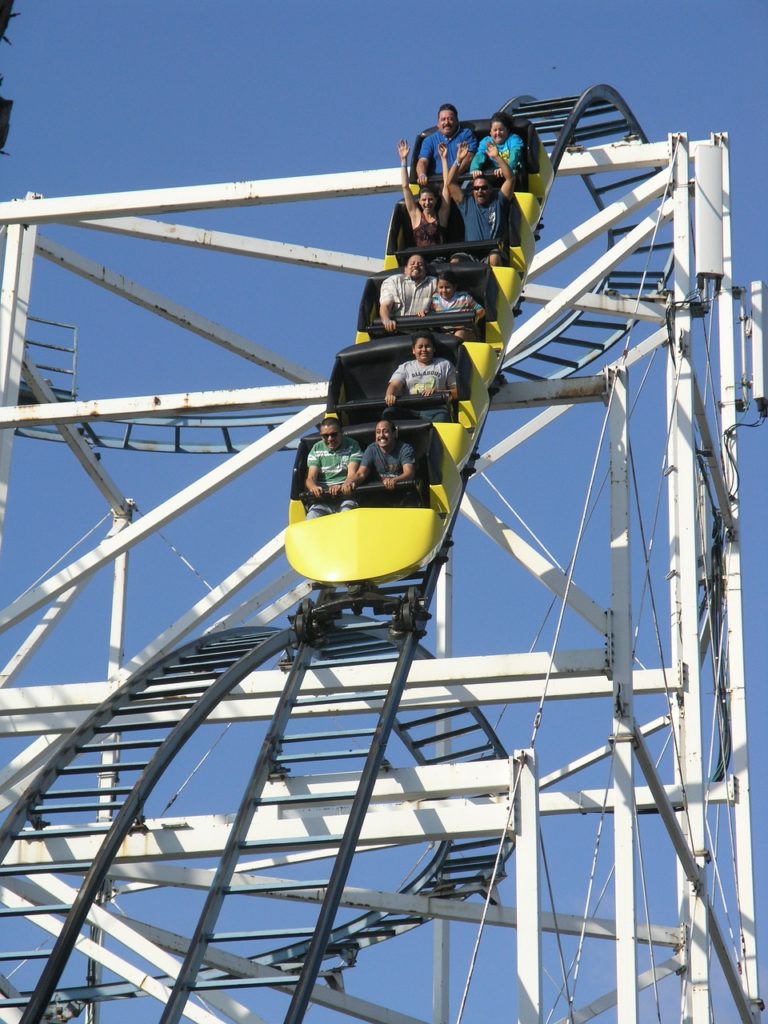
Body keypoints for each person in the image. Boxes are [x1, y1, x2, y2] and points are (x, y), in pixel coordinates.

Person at [442, 140, 516, 267]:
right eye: (476, 188)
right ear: (472, 191)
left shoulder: (498, 200)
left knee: (494, 257)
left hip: (492, 252)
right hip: (471, 254)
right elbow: (450, 183)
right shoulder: (467, 203)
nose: (480, 191)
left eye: (483, 188)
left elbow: (510, 178)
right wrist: (458, 160)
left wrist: (496, 157)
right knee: (455, 262)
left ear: (490, 190)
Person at [385, 330, 457, 423]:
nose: (424, 350)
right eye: (420, 347)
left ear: (434, 349)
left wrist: (438, 392)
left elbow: (457, 392)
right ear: (413, 350)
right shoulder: (406, 367)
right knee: (389, 413)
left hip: (437, 410)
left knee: (442, 418)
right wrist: (390, 395)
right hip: (410, 410)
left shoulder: (445, 365)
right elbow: (394, 385)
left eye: (427, 346)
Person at [304, 418, 361, 519]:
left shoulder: (352, 445)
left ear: (341, 433)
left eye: (333, 434)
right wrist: (313, 487)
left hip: (345, 498)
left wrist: (344, 485)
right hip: (323, 500)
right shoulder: (317, 449)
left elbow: (352, 474)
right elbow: (311, 478)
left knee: (346, 514)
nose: (330, 439)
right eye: (325, 436)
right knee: (312, 516)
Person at [397, 139, 450, 248]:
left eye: (430, 199)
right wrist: (403, 160)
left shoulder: (441, 216)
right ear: (420, 202)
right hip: (422, 259)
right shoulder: (416, 216)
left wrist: (444, 159)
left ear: (435, 200)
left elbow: (446, 185)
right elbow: (405, 187)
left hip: (439, 259)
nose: (427, 203)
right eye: (424, 200)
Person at [415, 103, 477, 184]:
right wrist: (422, 174)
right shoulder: (429, 140)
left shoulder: (466, 134)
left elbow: (469, 157)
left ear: (457, 121)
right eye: (443, 119)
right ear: (438, 123)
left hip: (461, 181)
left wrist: (452, 176)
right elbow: (422, 161)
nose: (446, 122)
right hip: (437, 184)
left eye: (450, 119)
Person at [378, 253, 437, 334]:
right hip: (397, 331)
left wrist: (430, 312)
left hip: (424, 332)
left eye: (420, 264)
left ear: (425, 270)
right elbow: (386, 305)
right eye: (412, 263)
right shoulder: (393, 281)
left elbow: (442, 303)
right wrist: (386, 321)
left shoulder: (434, 283)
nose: (416, 266)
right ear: (405, 269)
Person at [356, 420, 416, 492]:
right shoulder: (371, 449)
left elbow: (409, 473)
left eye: (385, 431)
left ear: (394, 433)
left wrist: (394, 480)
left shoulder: (405, 449)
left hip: (402, 491)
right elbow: (361, 474)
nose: (381, 435)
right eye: (378, 432)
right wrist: (350, 482)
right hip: (378, 493)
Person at [429, 270, 485, 340]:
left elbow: (481, 310)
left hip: (466, 331)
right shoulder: (435, 299)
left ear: (454, 287)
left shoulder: (464, 297)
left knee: (458, 335)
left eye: (447, 287)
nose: (444, 290)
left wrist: (473, 318)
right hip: (445, 332)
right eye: (441, 287)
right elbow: (429, 313)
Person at [470, 112, 525, 181]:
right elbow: (480, 155)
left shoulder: (514, 139)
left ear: (507, 130)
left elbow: (515, 154)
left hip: (513, 175)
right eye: (495, 130)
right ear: (490, 132)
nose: (498, 133)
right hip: (494, 176)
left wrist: (505, 169)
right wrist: (475, 169)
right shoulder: (487, 141)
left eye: (501, 130)